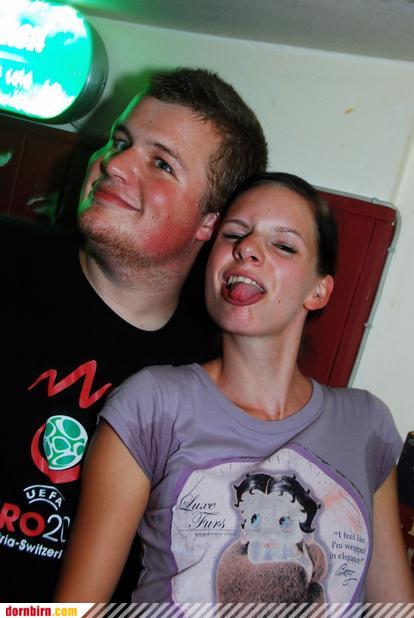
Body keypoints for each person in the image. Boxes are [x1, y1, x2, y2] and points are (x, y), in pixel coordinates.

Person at [55, 172, 414, 603]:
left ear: (319, 291)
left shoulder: (365, 424)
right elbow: (73, 610)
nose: (247, 248)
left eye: (283, 245)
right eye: (233, 234)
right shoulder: (150, 404)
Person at [0, 67, 268, 601]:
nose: (113, 163)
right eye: (120, 141)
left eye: (161, 163)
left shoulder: (215, 374)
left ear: (210, 223)